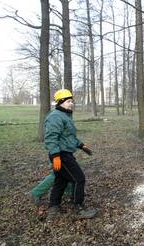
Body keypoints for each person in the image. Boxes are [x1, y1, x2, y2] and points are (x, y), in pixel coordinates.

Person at [44, 89, 97, 220]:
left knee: (61, 180)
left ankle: (53, 207)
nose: (71, 104)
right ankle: (78, 208)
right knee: (79, 178)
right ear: (60, 102)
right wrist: (56, 155)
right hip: (61, 155)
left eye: (71, 101)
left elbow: (68, 137)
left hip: (64, 152)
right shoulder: (55, 116)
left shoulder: (65, 116)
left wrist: (80, 145)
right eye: (68, 101)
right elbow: (51, 138)